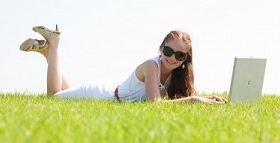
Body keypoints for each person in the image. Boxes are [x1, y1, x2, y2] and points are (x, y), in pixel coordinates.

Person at [19, 26, 227, 104]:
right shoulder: (151, 66)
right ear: (161, 48)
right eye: (169, 51)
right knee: (54, 97)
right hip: (103, 94)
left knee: (64, 91)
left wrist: (207, 100)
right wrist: (194, 100)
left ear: (186, 60)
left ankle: (48, 54)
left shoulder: (178, 74)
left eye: (180, 55)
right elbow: (154, 104)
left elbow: (180, 98)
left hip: (113, 87)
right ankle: (53, 46)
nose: (172, 58)